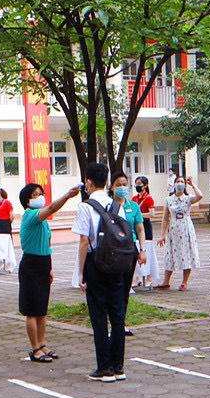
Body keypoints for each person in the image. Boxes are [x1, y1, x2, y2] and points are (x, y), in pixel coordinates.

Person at [75, 163, 131, 382]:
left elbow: (83, 241)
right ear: (107, 181)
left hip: (96, 262)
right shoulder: (117, 204)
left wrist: (81, 273)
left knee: (99, 315)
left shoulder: (85, 206)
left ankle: (104, 368)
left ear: (89, 182)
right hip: (117, 262)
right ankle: (118, 367)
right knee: (117, 314)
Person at [17, 183, 80, 362]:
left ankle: (42, 343)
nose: (40, 197)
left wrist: (50, 267)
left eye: (41, 193)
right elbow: (52, 208)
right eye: (35, 195)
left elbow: (47, 245)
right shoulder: (30, 215)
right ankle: (35, 348)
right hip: (31, 264)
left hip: (43, 263)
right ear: (27, 200)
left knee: (42, 310)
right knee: (32, 310)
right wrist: (67, 195)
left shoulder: (43, 221)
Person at [112, 173, 148, 337]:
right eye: (118, 184)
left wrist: (142, 250)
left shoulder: (133, 206)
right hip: (112, 250)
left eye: (124, 184)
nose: (122, 187)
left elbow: (140, 229)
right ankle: (113, 322)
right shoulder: (108, 206)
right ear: (112, 187)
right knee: (114, 286)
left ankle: (121, 323)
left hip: (129, 249)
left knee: (125, 287)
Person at [156, 175, 202, 290]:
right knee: (170, 254)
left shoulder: (188, 198)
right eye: (178, 181)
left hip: (186, 227)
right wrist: (162, 235)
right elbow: (165, 218)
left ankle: (184, 282)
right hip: (173, 228)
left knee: (187, 253)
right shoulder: (169, 200)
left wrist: (192, 184)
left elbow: (200, 196)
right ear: (174, 184)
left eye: (182, 182)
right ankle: (166, 281)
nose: (180, 183)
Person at [132, 176, 161, 290]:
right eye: (136, 184)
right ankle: (138, 277)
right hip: (136, 226)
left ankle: (149, 277)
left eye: (140, 184)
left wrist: (139, 215)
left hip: (146, 226)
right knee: (136, 249)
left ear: (145, 185)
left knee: (147, 250)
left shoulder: (148, 198)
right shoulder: (134, 198)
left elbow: (152, 214)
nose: (138, 186)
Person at [0, 188, 16, 274]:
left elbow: (11, 216)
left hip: (5, 224)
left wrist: (8, 223)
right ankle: (1, 261)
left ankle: (8, 262)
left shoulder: (7, 203)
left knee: (7, 243)